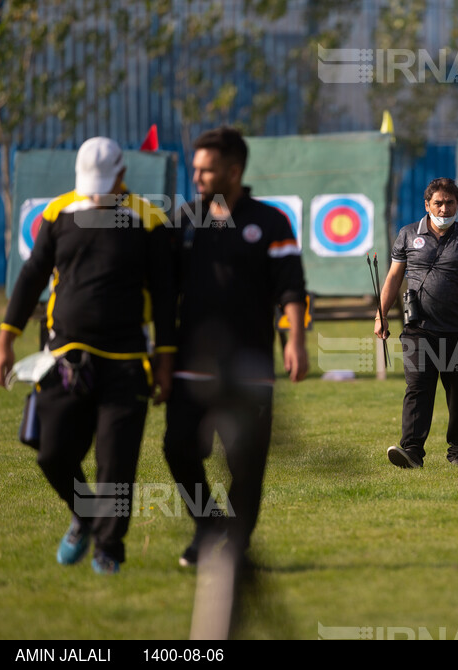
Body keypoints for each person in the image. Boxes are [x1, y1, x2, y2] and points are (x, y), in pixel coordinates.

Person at [0, 136, 176, 575]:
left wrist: (165, 360)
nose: (97, 192)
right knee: (51, 452)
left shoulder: (149, 219)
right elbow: (31, 277)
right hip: (64, 355)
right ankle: (85, 515)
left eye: (105, 183)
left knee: (117, 462)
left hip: (126, 359)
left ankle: (108, 549)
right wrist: (5, 338)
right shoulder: (59, 213)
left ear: (122, 176)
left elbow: (166, 298)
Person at [163, 126, 309, 567]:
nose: (198, 177)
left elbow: (290, 288)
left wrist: (296, 341)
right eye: (195, 169)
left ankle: (237, 547)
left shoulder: (270, 222)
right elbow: (164, 292)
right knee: (178, 448)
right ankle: (207, 526)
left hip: (251, 365)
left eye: (206, 170)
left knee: (246, 463)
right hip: (191, 364)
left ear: (233, 169)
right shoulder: (184, 221)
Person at [376, 178, 458, 468]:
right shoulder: (407, 234)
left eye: (450, 203)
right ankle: (412, 451)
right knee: (418, 387)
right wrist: (380, 314)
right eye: (438, 203)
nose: (444, 208)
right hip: (419, 330)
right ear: (427, 205)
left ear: (457, 203)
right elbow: (394, 278)